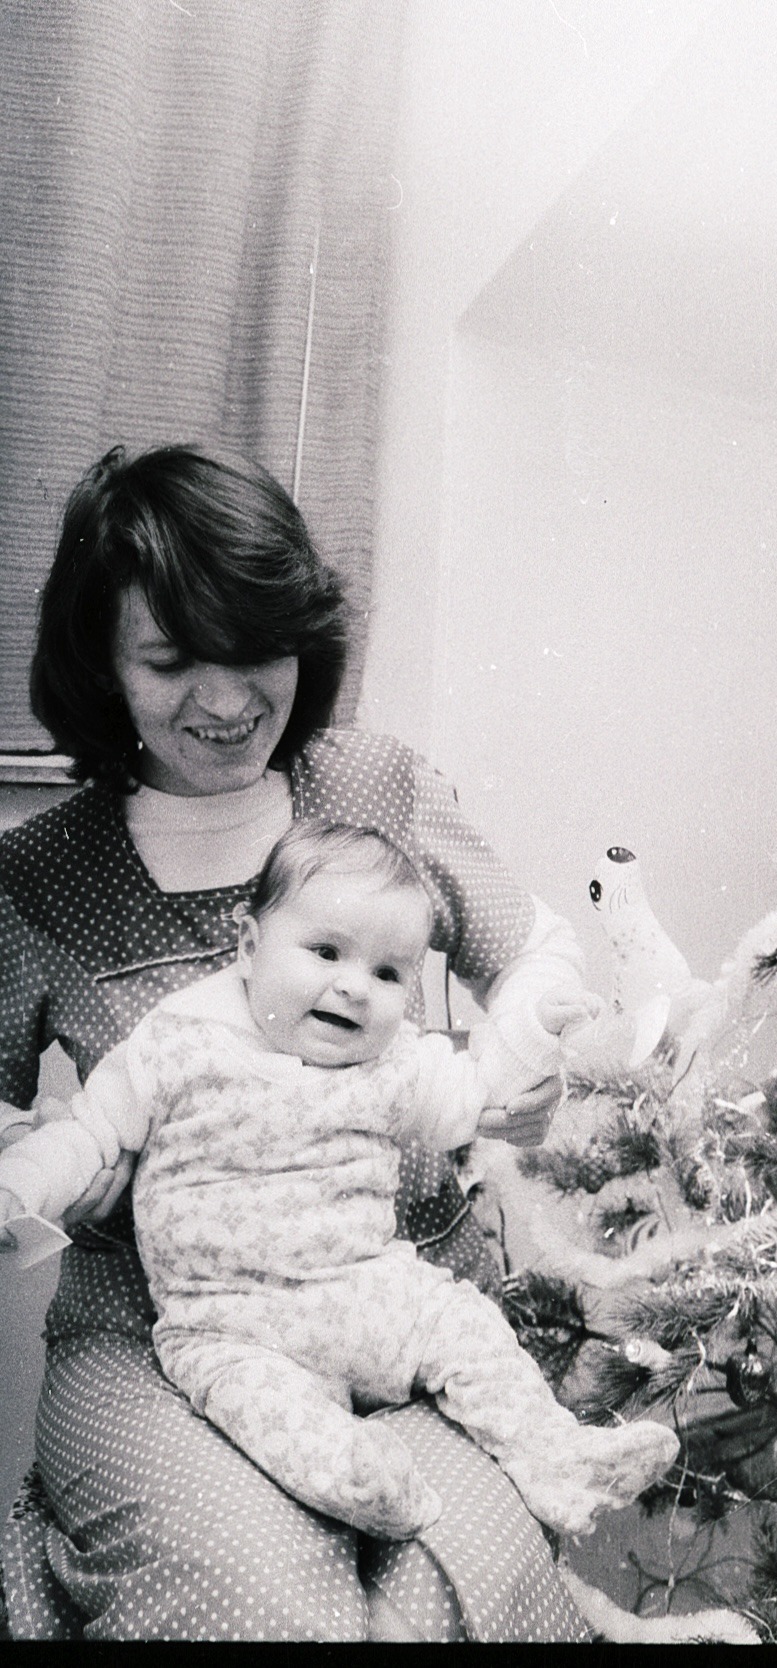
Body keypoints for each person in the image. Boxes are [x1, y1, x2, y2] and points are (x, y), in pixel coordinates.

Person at [0, 443, 598, 1642]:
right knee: (265, 1606)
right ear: (103, 664)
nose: (225, 703)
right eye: (172, 659)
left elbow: (540, 953)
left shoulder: (374, 787)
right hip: (162, 1339)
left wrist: (521, 1064)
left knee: (437, 1591)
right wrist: (60, 1152)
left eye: (256, 651)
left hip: (406, 1312)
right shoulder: (38, 874)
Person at [0, 821, 677, 1541]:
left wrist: (540, 1027)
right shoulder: (174, 1046)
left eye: (388, 974)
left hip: (370, 1294)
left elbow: (482, 1092)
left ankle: (560, 1460)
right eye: (325, 952)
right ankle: (357, 1477)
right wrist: (18, 1185)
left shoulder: (393, 1064)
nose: (354, 987)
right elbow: (83, 1136)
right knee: (261, 1407)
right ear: (249, 946)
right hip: (230, 1321)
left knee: (467, 1325)